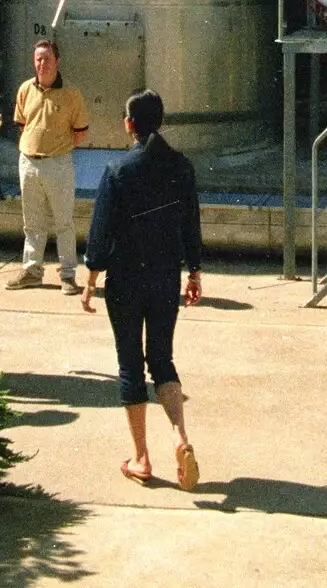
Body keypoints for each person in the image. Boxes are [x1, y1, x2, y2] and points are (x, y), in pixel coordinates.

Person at [82, 89, 203, 490]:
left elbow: (101, 234)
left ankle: (141, 458)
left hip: (126, 278)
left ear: (130, 124)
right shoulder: (181, 167)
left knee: (130, 364)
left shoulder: (117, 170)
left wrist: (90, 280)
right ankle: (180, 437)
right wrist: (195, 272)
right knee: (162, 360)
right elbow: (191, 225)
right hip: (166, 275)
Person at [6, 38, 89, 294]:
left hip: (58, 164)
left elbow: (79, 133)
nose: (42, 64)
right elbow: (23, 124)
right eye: (38, 59)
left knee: (63, 222)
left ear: (57, 62)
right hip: (28, 163)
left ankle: (67, 276)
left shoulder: (72, 95)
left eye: (47, 59)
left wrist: (55, 150)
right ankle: (32, 271)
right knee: (32, 223)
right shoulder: (25, 90)